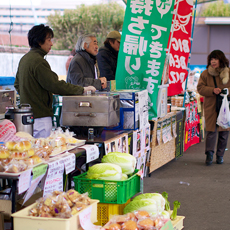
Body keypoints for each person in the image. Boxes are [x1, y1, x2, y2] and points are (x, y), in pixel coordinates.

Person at [14, 24, 96, 138]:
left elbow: (17, 84)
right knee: (43, 152)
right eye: (49, 40)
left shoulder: (25, 59)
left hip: (27, 117)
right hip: (41, 117)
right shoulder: (39, 62)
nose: (51, 43)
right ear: (39, 41)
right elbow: (55, 85)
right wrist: (82, 89)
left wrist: (32, 95)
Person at [197, 50, 230, 165]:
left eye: (215, 59)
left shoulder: (228, 73)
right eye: (211, 59)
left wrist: (227, 91)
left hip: (225, 107)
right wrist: (212, 90)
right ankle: (209, 155)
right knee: (211, 131)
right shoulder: (205, 73)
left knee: (224, 132)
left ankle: (220, 155)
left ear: (221, 60)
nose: (213, 61)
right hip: (211, 106)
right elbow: (200, 88)